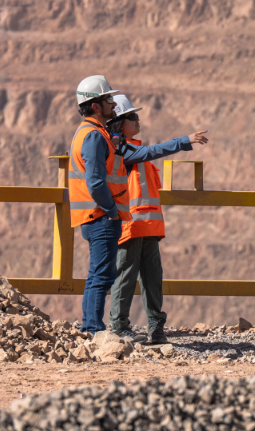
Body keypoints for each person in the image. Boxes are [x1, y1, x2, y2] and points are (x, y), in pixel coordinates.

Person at [69, 77, 201, 334]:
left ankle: (97, 328)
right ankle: (97, 329)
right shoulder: (99, 138)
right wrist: (111, 211)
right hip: (108, 218)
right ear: (96, 106)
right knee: (105, 276)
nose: (112, 103)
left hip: (125, 220)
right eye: (108, 99)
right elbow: (96, 182)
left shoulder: (106, 140)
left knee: (107, 275)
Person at [107, 94, 208, 344]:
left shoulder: (133, 149)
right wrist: (184, 141)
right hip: (131, 225)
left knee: (153, 278)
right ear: (119, 123)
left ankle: (156, 327)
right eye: (132, 116)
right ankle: (119, 327)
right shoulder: (121, 150)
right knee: (125, 276)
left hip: (149, 226)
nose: (138, 120)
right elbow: (152, 151)